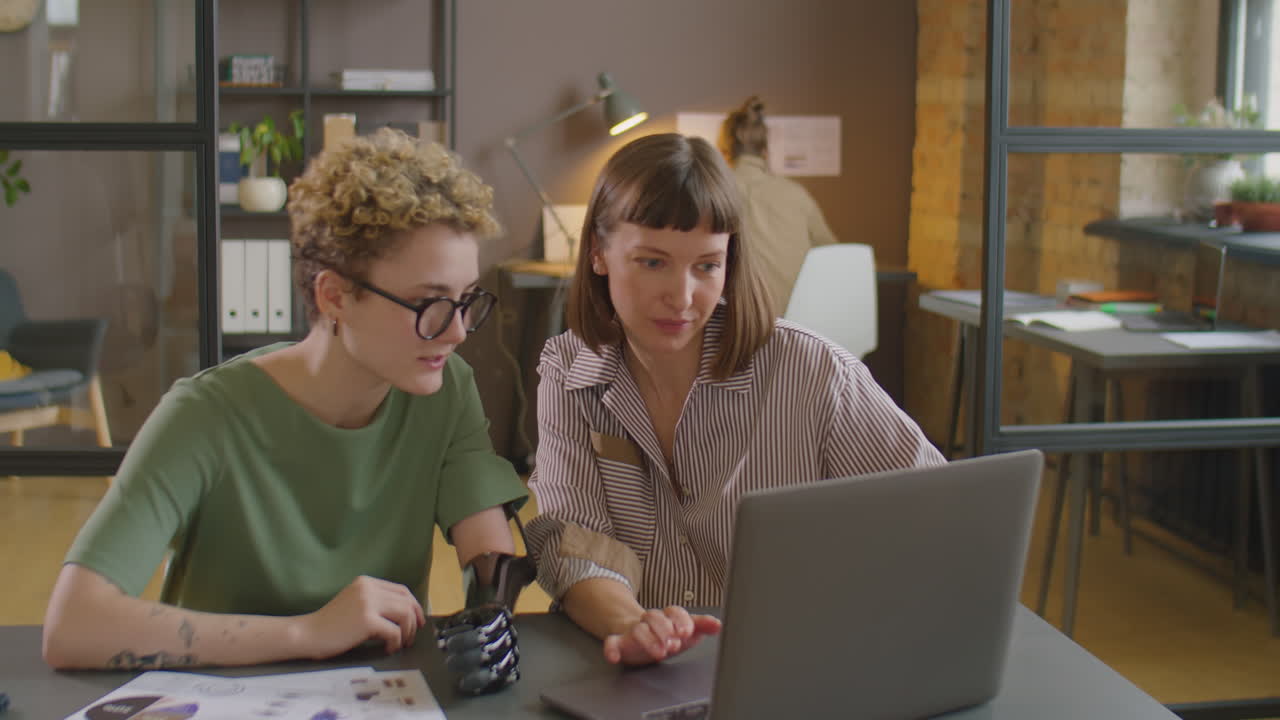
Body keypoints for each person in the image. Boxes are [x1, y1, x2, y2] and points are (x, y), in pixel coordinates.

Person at [43, 129, 531, 693]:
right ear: (334, 296)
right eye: (429, 304)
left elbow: (486, 547)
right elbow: (74, 624)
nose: (458, 330)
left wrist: (490, 602)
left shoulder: (445, 389)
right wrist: (307, 633)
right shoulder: (204, 415)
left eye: (468, 298)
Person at [525, 133, 945, 668]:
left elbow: (935, 517)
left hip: (796, 663)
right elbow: (577, 544)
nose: (682, 296)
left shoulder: (813, 372)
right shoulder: (568, 373)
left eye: (706, 266)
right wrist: (634, 625)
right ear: (599, 254)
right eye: (652, 262)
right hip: (643, 674)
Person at [718, 96, 837, 310]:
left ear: (723, 151)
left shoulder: (714, 192)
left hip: (735, 323)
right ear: (765, 151)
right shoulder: (796, 194)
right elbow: (833, 254)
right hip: (797, 325)